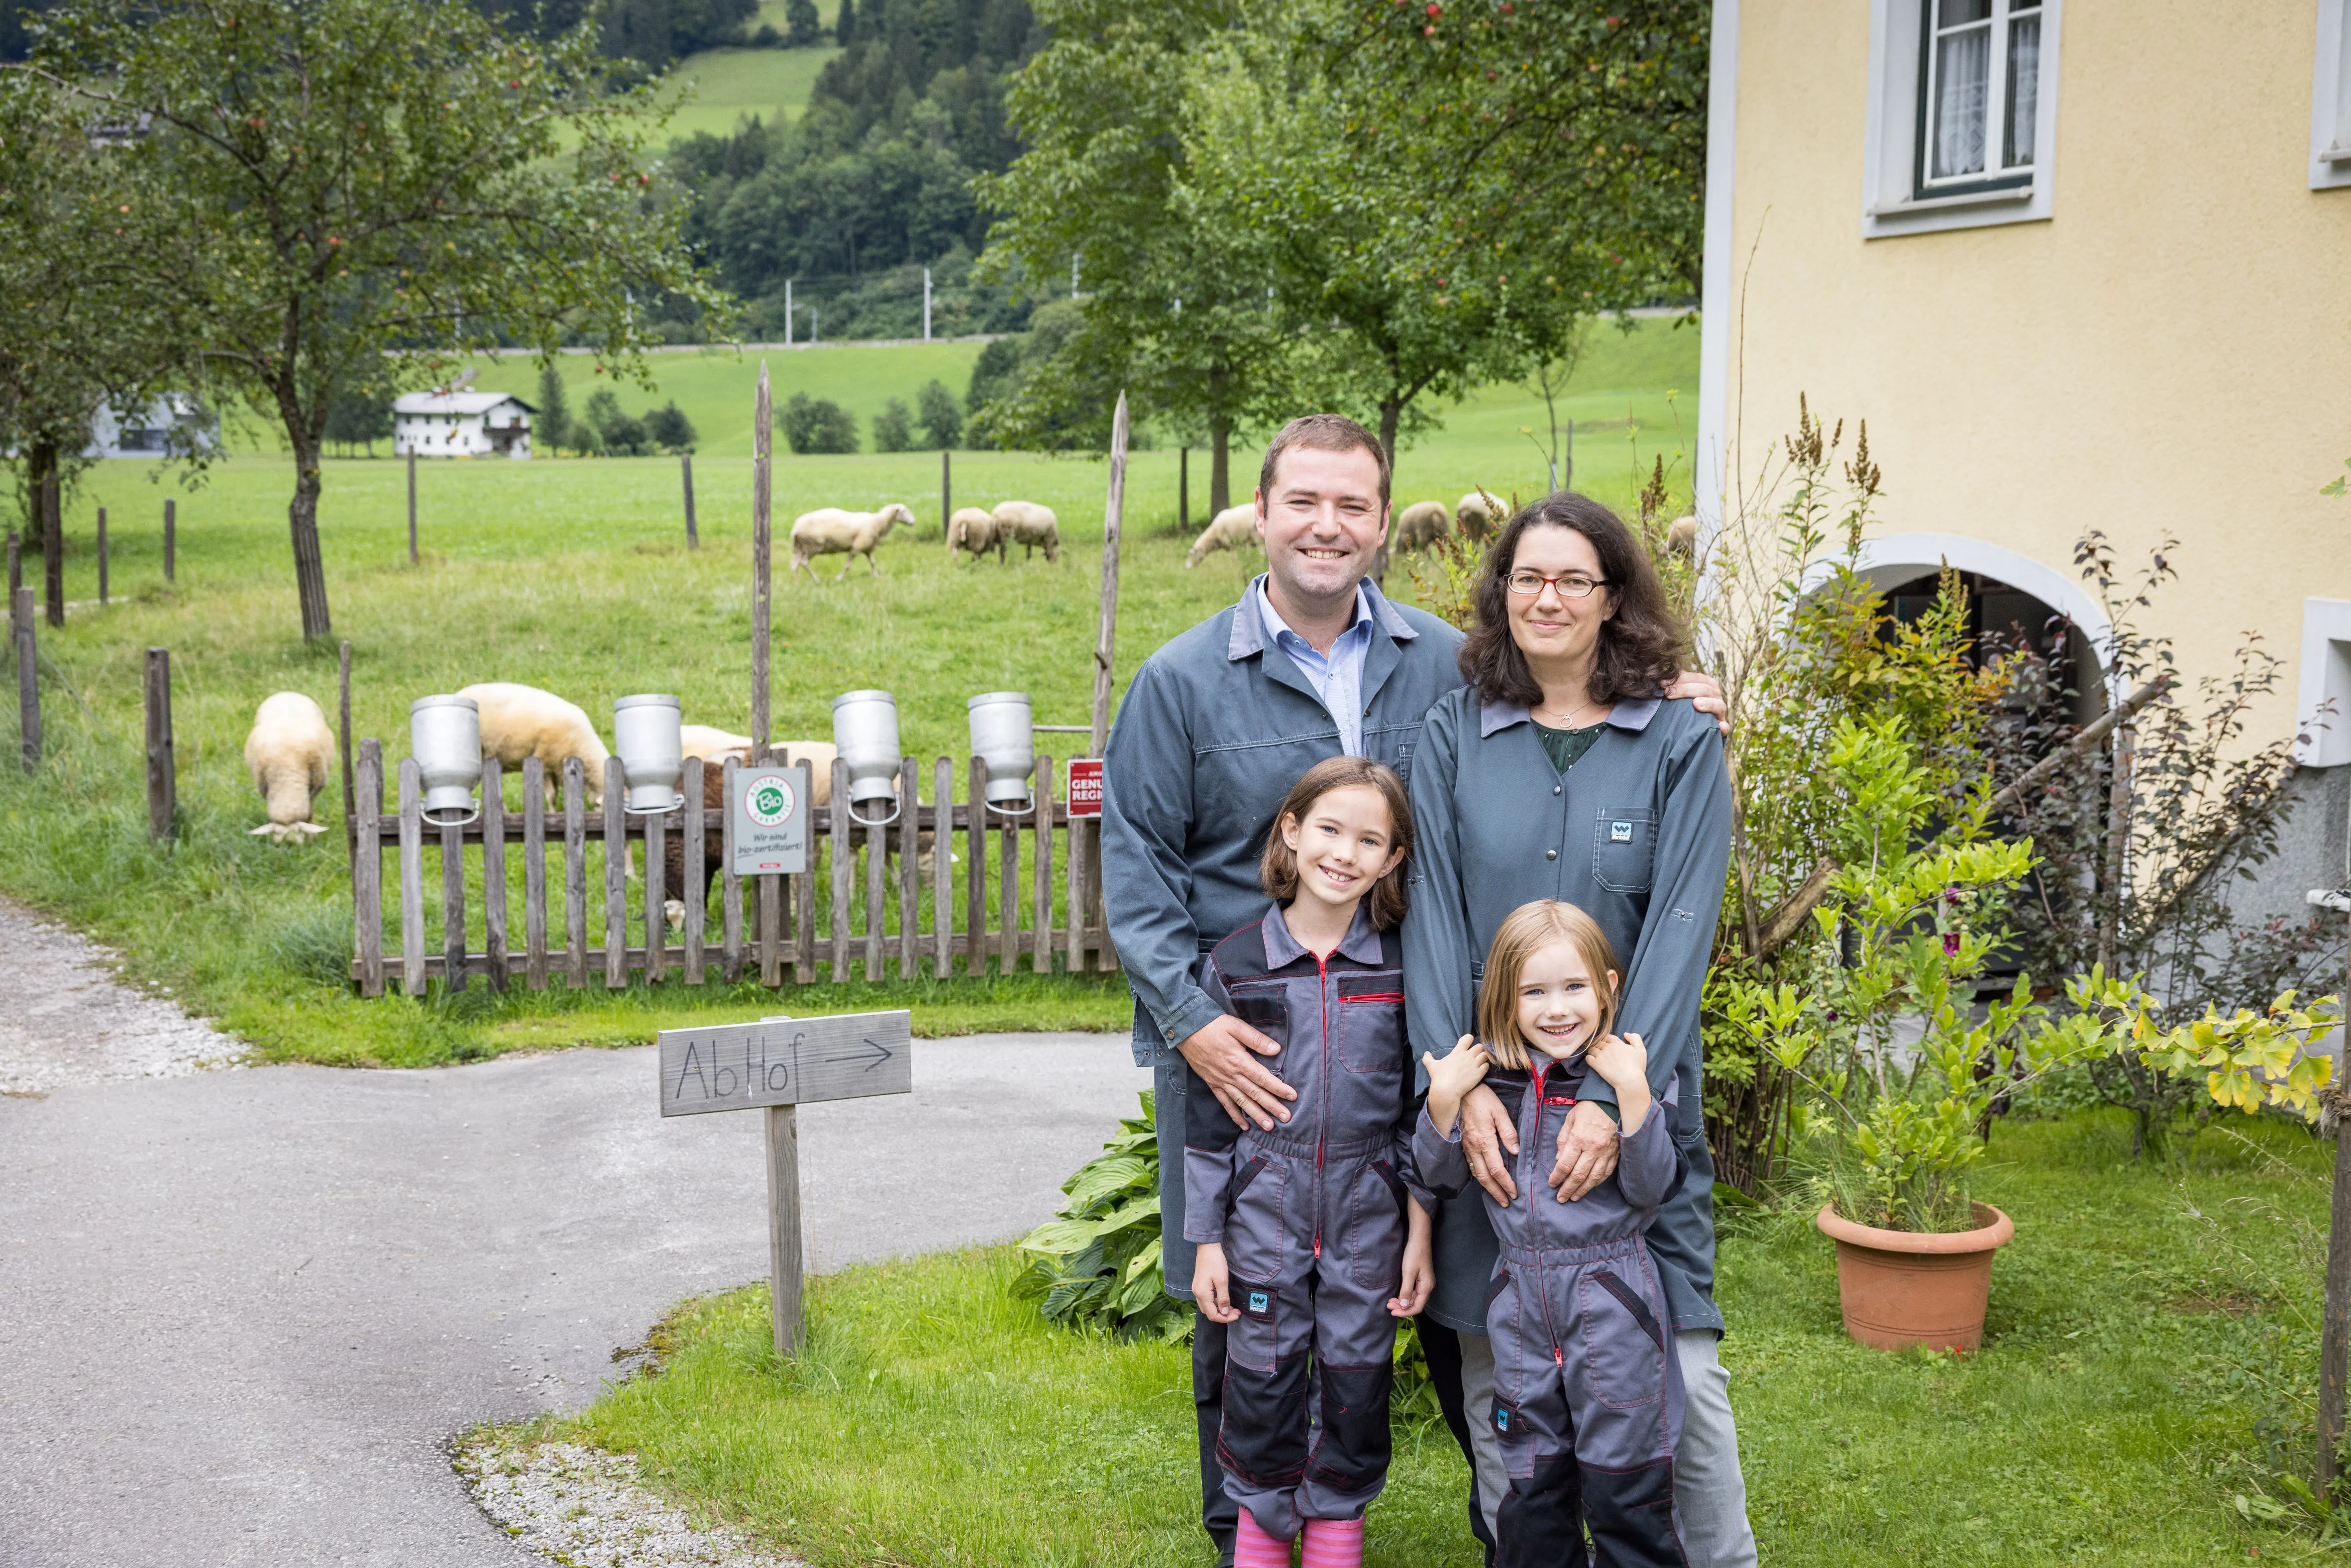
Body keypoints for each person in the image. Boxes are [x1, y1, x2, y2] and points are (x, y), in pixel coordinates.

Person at [1103, 415, 1727, 1568]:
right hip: (1240, 1054)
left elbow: (1567, 693)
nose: (1327, 527)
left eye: (1352, 506)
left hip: (1408, 1044)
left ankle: (1514, 1511)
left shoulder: (1443, 661)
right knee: (1240, 1318)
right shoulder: (1181, 681)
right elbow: (1132, 875)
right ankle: (1243, 1530)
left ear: (1383, 521)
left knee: (1442, 1297)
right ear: (1262, 510)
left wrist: (1668, 694)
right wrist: (1192, 1028)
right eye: (1304, 502)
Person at [1402, 490, 1757, 1567]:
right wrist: (1455, 1097)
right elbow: (1430, 918)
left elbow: (1682, 927)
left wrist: (1609, 1100)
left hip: (1637, 1116)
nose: (1546, 597)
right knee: (1499, 1377)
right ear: (1498, 594)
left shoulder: (1679, 742)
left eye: (1572, 579)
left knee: (1682, 1375)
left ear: (1614, 600)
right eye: (1526, 577)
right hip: (1497, 1130)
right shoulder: (1451, 732)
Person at [1186, 757, 1434, 1568]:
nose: (1345, 852)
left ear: (1393, 859)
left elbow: (1412, 1112)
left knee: (1358, 1385)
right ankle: (1259, 1541)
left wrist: (1418, 1229)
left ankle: (1334, 1542)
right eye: (1329, 828)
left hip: (1369, 1213)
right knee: (1260, 1380)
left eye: (1371, 839)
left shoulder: (1401, 970)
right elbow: (1207, 1118)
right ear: (1290, 831)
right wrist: (1208, 1240)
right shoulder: (1233, 965)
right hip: (1264, 1210)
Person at [1417, 901, 1687, 1568]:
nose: (1557, 1008)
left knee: (1627, 1497)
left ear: (1610, 988)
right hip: (1520, 1316)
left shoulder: (1629, 1073)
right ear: (1503, 999)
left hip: (1613, 1309)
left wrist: (1632, 1098)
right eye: (1533, 991)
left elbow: (1653, 1186)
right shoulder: (1492, 1082)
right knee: (1531, 1499)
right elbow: (1438, 1176)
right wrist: (1444, 1102)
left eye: (1574, 987)